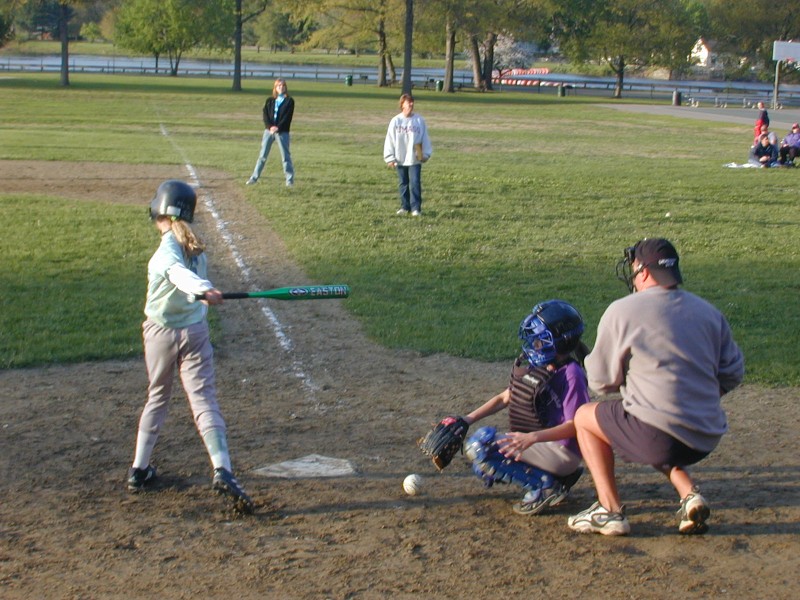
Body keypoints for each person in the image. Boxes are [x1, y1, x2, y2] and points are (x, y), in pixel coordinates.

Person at [568, 238, 744, 536]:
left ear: (644, 272)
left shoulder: (622, 310)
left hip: (659, 435)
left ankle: (609, 510)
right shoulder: (709, 312)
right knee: (650, 417)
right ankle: (689, 495)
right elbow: (733, 372)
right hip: (706, 435)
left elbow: (599, 382)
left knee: (586, 416)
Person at [127, 180, 254, 515]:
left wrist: (203, 289)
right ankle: (222, 468)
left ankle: (139, 470)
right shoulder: (196, 249)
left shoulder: (165, 251)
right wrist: (204, 289)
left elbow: (174, 272)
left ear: (160, 213)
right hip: (195, 334)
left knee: (157, 397)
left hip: (160, 335)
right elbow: (181, 276)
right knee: (204, 399)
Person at [458, 300, 589, 515]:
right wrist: (467, 419)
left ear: (560, 342)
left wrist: (532, 438)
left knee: (481, 447)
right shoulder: (540, 366)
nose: (534, 345)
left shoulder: (571, 375)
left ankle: (545, 486)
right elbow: (505, 398)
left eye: (540, 340)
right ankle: (553, 479)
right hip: (545, 445)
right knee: (483, 463)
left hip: (564, 452)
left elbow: (576, 426)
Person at [383, 93, 432, 216]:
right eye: (408, 102)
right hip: (400, 158)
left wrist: (425, 154)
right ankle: (405, 207)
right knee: (403, 183)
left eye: (412, 102)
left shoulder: (419, 120)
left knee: (415, 183)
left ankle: (416, 208)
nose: (411, 104)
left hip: (414, 158)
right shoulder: (396, 121)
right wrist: (390, 158)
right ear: (402, 104)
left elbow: (424, 138)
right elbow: (390, 139)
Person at [246, 78, 295, 187]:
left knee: (285, 157)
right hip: (269, 131)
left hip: (282, 132)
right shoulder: (270, 100)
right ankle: (254, 178)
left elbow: (287, 117)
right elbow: (265, 115)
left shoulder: (289, 101)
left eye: (283, 86)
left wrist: (278, 127)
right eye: (279, 86)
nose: (281, 87)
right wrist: (270, 126)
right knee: (262, 155)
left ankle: (289, 180)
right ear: (275, 88)